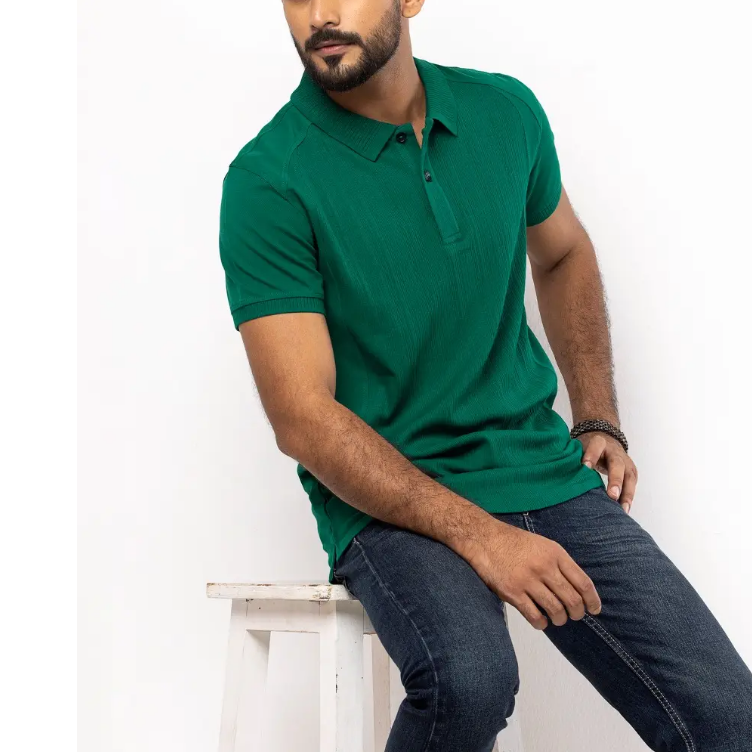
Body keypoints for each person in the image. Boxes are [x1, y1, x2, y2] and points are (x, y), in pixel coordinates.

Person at [217, 1, 752, 749]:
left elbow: (563, 253)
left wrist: (597, 414)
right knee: (468, 680)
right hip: (388, 500)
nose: (322, 15)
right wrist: (483, 537)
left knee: (730, 715)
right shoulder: (270, 179)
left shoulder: (505, 112)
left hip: (538, 469)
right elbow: (302, 417)